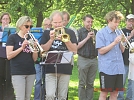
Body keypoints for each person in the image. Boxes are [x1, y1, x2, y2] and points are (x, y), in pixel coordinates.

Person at [40, 10, 77, 100]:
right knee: (50, 95)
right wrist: (51, 39)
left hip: (65, 68)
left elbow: (75, 50)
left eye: (60, 22)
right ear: (51, 22)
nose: (57, 25)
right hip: (50, 68)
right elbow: (43, 50)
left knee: (62, 97)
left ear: (63, 21)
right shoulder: (46, 33)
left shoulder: (70, 32)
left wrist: (67, 41)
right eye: (55, 22)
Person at [6, 16, 38, 100]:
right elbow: (9, 56)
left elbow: (35, 59)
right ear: (20, 26)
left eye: (30, 26)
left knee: (27, 97)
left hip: (30, 71)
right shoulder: (12, 37)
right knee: (20, 97)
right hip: (18, 72)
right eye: (26, 26)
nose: (28, 29)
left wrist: (35, 49)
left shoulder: (30, 38)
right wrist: (21, 47)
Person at [96, 10, 125, 100]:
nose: (117, 24)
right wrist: (114, 42)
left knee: (115, 93)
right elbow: (101, 51)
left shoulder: (119, 32)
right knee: (104, 93)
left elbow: (122, 50)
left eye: (118, 22)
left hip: (119, 68)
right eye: (115, 22)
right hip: (107, 69)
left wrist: (122, 43)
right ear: (109, 20)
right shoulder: (101, 33)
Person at [77, 14, 98, 100]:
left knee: (90, 83)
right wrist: (87, 38)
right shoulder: (79, 32)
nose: (90, 23)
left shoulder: (95, 31)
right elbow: (77, 46)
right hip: (83, 59)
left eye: (91, 22)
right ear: (83, 22)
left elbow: (99, 46)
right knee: (82, 83)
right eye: (88, 22)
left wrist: (95, 38)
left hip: (93, 59)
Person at [34, 17, 52, 100]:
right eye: (46, 25)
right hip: (39, 61)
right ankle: (37, 98)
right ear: (42, 25)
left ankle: (44, 97)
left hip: (49, 61)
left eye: (49, 25)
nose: (48, 26)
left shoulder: (52, 35)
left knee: (46, 82)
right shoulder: (37, 34)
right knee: (38, 80)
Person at [117, 14, 134, 100]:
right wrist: (130, 36)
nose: (131, 22)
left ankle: (130, 98)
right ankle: (119, 98)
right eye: (129, 20)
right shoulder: (121, 31)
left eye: (132, 21)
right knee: (121, 82)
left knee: (132, 82)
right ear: (126, 21)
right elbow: (121, 45)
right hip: (123, 60)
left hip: (133, 63)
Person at [0, 12, 14, 100]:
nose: (5, 21)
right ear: (1, 20)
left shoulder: (12, 32)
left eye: (7, 19)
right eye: (4, 19)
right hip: (0, 57)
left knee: (9, 79)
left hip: (9, 57)